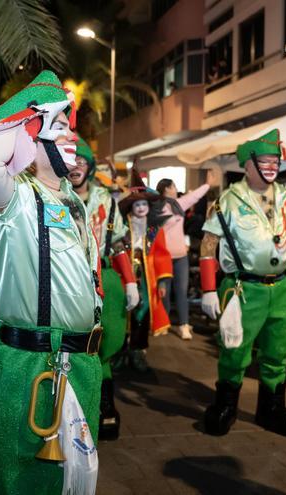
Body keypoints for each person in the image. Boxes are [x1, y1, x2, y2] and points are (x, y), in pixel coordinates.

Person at [0, 70, 101, 494]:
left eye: (71, 127)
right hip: (28, 364)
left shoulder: (72, 201)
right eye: (59, 127)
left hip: (81, 363)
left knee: (71, 479)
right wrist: (34, 112)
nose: (72, 136)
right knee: (17, 476)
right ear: (28, 136)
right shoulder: (12, 198)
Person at [199, 129, 286, 437]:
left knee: (278, 350)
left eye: (275, 160)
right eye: (264, 160)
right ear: (247, 164)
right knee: (234, 349)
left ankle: (271, 409)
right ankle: (226, 405)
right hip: (243, 289)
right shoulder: (229, 201)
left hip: (282, 286)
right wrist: (208, 289)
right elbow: (208, 247)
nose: (272, 166)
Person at [69, 137, 136, 441]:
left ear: (90, 166)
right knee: (72, 343)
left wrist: (130, 281)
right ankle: (72, 406)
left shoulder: (106, 200)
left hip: (104, 277)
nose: (75, 167)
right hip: (67, 278)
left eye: (81, 161)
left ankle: (105, 404)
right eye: (71, 160)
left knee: (106, 343)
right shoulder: (53, 194)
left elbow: (119, 242)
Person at [156, 170, 219, 340]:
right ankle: (163, 323)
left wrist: (207, 185)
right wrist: (207, 184)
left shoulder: (178, 204)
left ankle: (184, 325)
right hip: (164, 257)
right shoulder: (159, 208)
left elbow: (194, 197)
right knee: (164, 292)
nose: (176, 189)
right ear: (167, 189)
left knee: (181, 292)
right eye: (174, 186)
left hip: (181, 256)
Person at [119, 175, 173, 372]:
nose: (141, 207)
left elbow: (161, 255)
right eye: (137, 204)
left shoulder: (154, 229)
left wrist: (162, 282)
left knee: (142, 314)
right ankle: (119, 351)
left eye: (144, 204)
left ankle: (137, 352)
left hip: (146, 280)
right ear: (130, 207)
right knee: (122, 313)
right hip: (124, 275)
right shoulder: (122, 227)